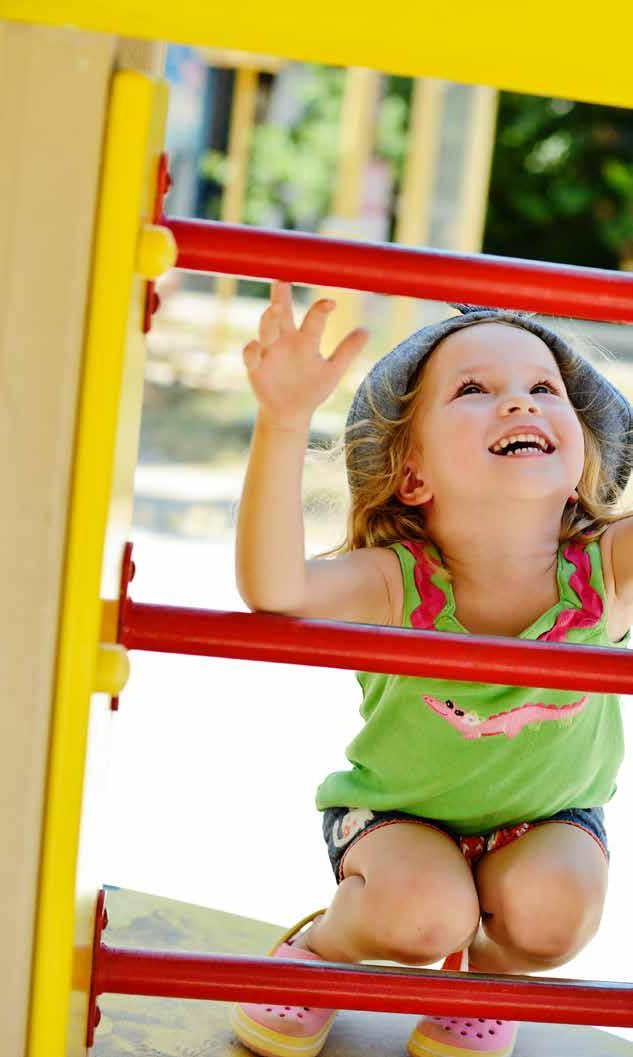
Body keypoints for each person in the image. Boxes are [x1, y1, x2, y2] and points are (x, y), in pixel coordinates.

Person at [231, 281, 633, 1057]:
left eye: (542, 387)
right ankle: (320, 951)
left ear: (581, 454)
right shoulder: (396, 579)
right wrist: (282, 422)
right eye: (475, 390)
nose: (519, 403)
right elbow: (273, 589)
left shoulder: (608, 571)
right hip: (400, 822)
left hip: (545, 821)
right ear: (412, 475)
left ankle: (485, 980)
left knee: (555, 915)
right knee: (421, 916)